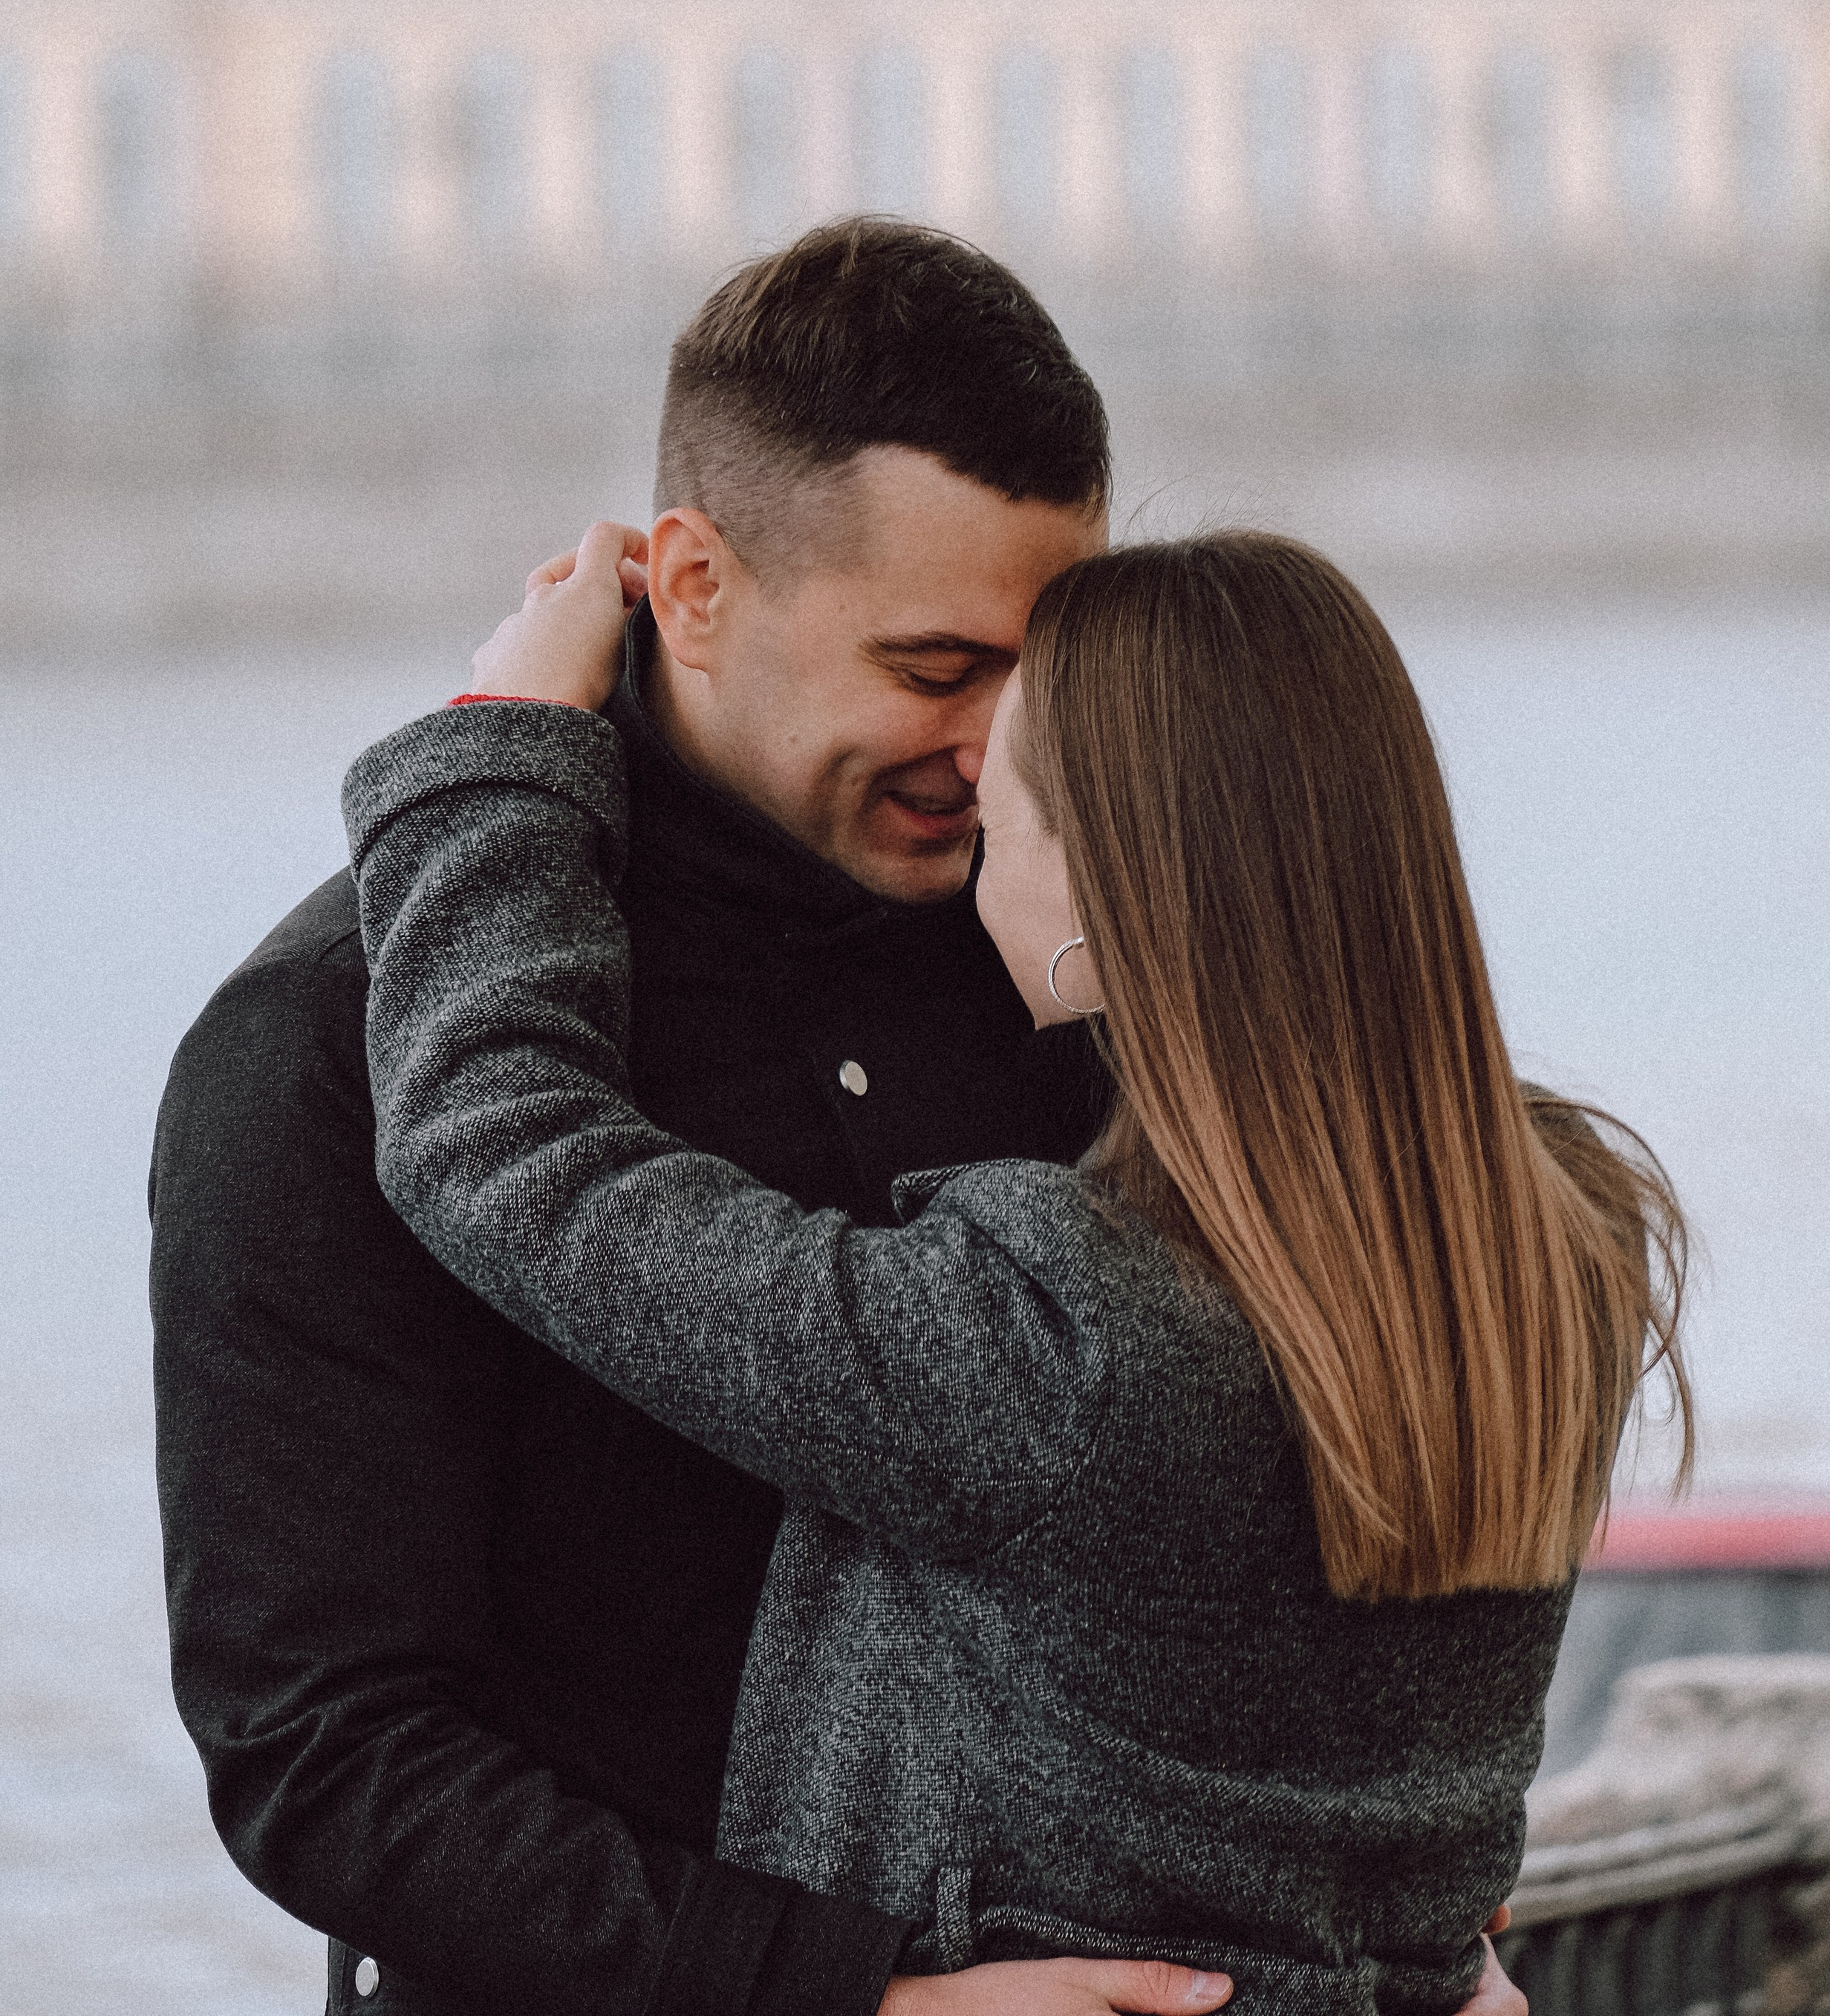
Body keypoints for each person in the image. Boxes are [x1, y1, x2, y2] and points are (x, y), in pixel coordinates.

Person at [152, 219, 1525, 2016]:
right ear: (694, 585)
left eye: (1049, 680)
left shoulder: (1085, 948)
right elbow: (322, 1755)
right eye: (938, 669)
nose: (1002, 752)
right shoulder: (335, 1038)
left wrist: (1421, 1923)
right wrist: (849, 2001)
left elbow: (1302, 1489)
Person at [341, 523, 1692, 2014]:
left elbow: (506, 1153)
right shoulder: (1565, 1241)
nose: (967, 804)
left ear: (1106, 898)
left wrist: (506, 738)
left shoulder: (1053, 1338)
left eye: (1003, 811)